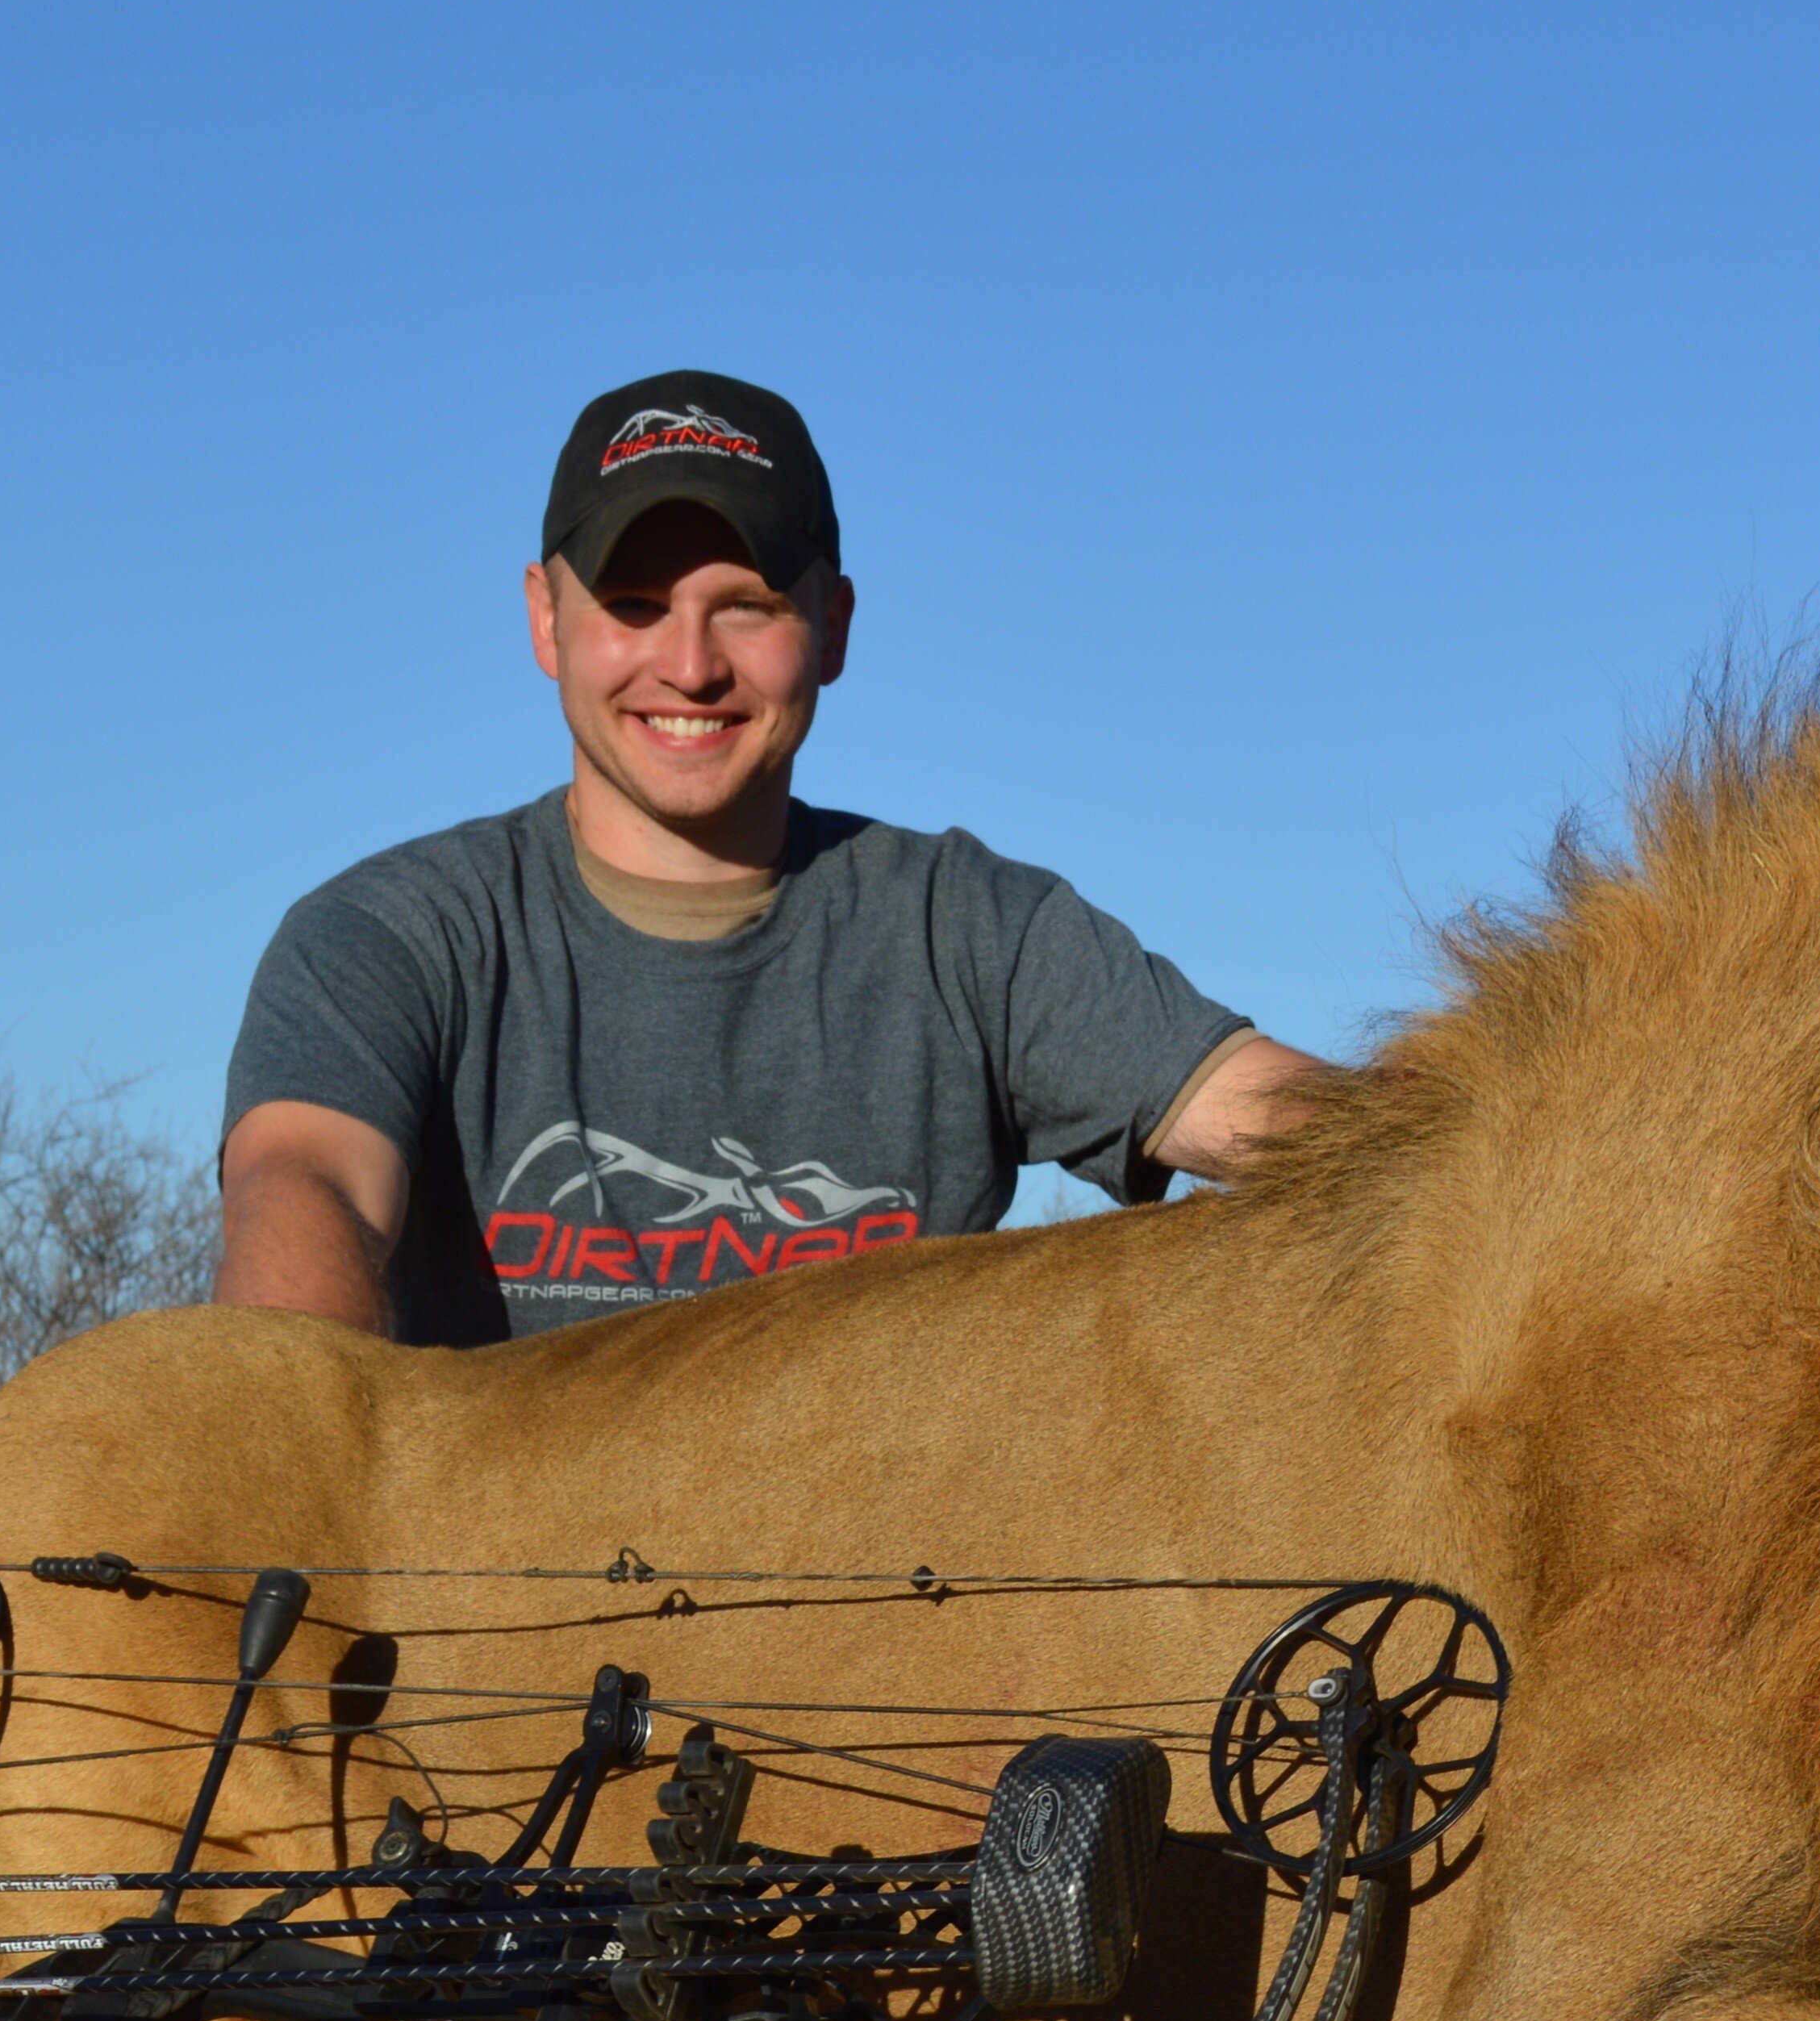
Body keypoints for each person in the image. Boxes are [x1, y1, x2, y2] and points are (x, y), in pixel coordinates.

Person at [215, 370, 1325, 1341]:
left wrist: (1475, 1135)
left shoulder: (972, 931)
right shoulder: (386, 938)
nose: (690, 667)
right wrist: (282, 1436)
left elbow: (1272, 1116)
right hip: (499, 1584)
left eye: (744, 607)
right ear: (545, 622)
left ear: (833, 629)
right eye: (635, 605)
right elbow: (308, 1189)